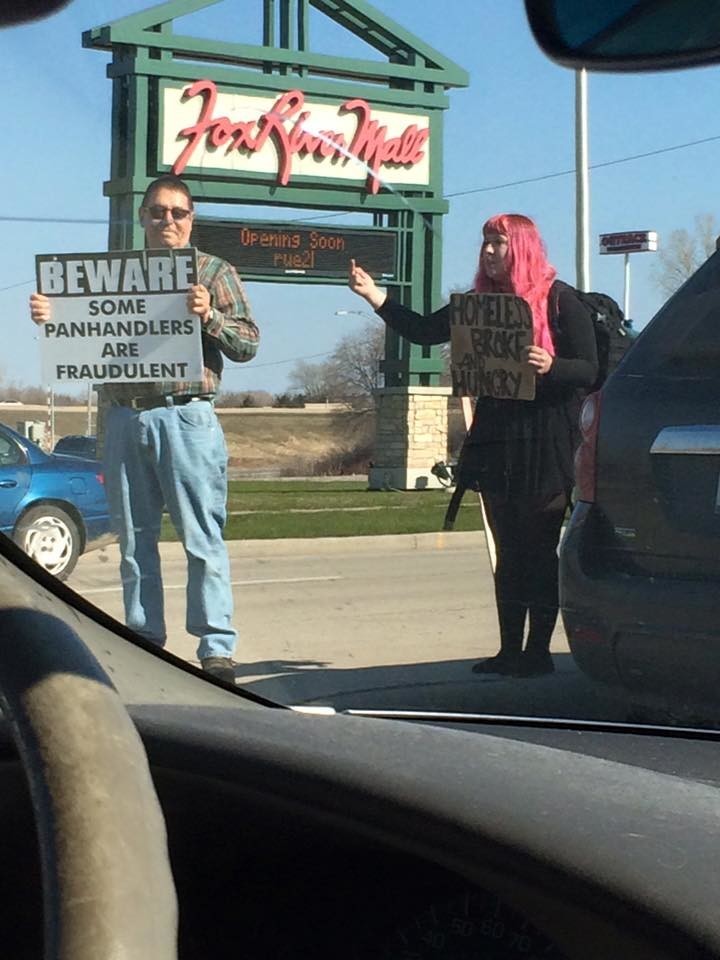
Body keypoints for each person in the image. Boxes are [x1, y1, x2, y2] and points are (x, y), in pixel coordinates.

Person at [30, 174, 259, 684]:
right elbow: (82, 335)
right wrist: (52, 317)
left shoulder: (213, 272)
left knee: (203, 537)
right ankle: (144, 639)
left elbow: (248, 344)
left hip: (188, 414)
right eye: (158, 212)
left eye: (178, 212)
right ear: (144, 219)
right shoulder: (113, 276)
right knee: (134, 541)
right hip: (124, 416)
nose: (168, 221)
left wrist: (210, 316)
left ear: (191, 218)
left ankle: (216, 649)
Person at [348, 213, 598, 678]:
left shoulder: (560, 300)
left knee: (539, 548)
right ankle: (508, 650)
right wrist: (376, 297)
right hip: (497, 436)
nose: (488, 251)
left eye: (498, 243)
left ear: (520, 246)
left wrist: (551, 364)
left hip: (547, 437)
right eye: (485, 242)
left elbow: (589, 368)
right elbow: (425, 332)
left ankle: (538, 652)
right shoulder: (477, 306)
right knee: (506, 548)